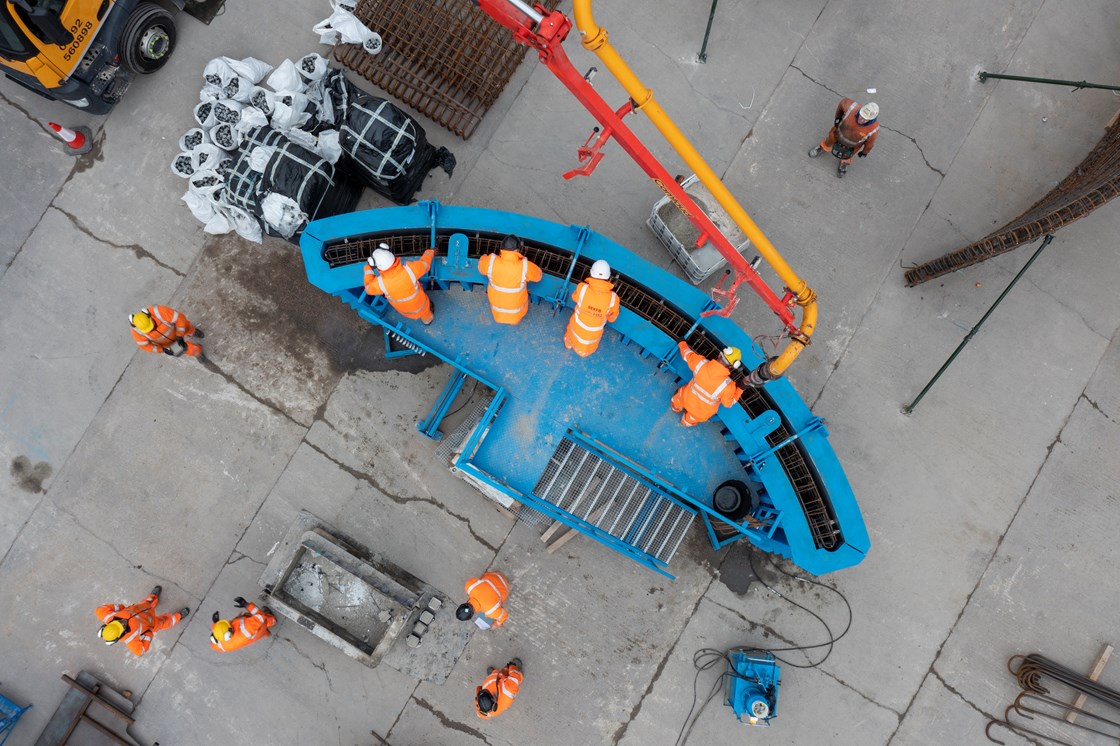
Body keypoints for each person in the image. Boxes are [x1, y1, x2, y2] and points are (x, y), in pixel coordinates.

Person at [94, 585, 189, 657]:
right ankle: (178, 617)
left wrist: (121, 608)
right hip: (151, 624)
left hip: (141, 607)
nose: (123, 623)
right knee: (165, 621)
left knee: (148, 602)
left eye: (118, 623)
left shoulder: (108, 616)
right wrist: (149, 634)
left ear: (108, 624)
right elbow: (141, 651)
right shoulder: (130, 639)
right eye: (121, 627)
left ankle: (153, 597)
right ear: (119, 636)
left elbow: (99, 609)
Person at [670, 342, 745, 427]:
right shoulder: (728, 386)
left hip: (685, 398)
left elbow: (687, 355)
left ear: (720, 355)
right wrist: (741, 388)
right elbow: (728, 403)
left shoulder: (701, 363)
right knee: (691, 419)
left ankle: (675, 407)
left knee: (678, 397)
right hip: (700, 413)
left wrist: (682, 343)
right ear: (731, 367)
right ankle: (685, 422)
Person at [364, 242, 436, 325]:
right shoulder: (410, 270)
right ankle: (428, 321)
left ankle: (427, 321)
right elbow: (425, 264)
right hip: (422, 305)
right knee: (426, 313)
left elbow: (368, 289)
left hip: (405, 312)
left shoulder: (380, 284)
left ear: (375, 265)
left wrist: (367, 268)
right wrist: (430, 252)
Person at [477, 235, 543, 325]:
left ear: (502, 248)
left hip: (497, 312)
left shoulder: (491, 262)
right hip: (517, 313)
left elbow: (481, 268)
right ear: (517, 250)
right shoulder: (525, 266)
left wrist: (484, 257)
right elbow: (538, 276)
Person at [808, 100, 879, 178]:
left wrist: (865, 152)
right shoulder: (851, 107)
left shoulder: (873, 130)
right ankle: (823, 147)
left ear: (871, 119)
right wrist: (838, 117)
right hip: (836, 134)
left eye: (865, 119)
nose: (861, 120)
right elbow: (842, 103)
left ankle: (845, 162)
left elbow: (870, 144)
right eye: (861, 116)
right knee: (829, 141)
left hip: (851, 146)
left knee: (847, 155)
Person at [563, 259, 620, 357]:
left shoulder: (582, 288)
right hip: (592, 337)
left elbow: (574, 298)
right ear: (608, 277)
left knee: (570, 335)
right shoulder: (613, 298)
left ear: (591, 273)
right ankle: (583, 353)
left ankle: (568, 345)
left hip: (575, 327)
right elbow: (612, 319)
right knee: (587, 347)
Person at [129, 305, 204, 358]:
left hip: (178, 329)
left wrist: (179, 335)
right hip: (168, 344)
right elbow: (146, 347)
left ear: (148, 315)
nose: (151, 330)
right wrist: (162, 350)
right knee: (186, 349)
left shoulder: (158, 311)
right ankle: (197, 352)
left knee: (186, 327)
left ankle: (193, 331)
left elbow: (179, 318)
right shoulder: (137, 332)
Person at [210, 596, 277, 653]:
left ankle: (265, 632)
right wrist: (246, 605)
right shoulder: (247, 628)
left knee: (258, 630)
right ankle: (272, 621)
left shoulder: (219, 643)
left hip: (251, 634)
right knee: (263, 620)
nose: (229, 623)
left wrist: (216, 622)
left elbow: (219, 632)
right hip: (257, 628)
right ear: (230, 632)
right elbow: (261, 616)